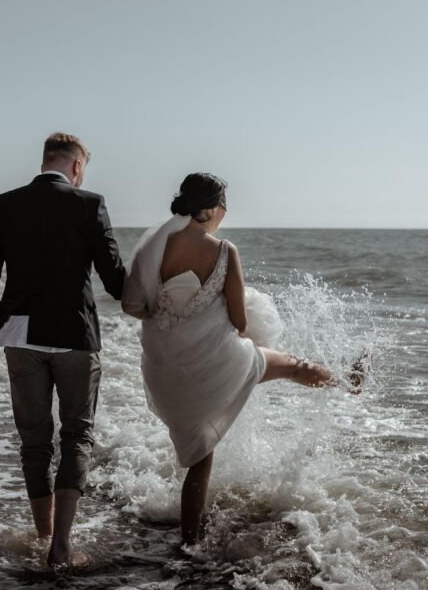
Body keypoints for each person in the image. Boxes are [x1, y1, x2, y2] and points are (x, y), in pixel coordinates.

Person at [121, 173, 361, 545]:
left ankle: (188, 541)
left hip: (163, 370)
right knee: (293, 365)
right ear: (214, 207)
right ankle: (347, 382)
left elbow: (135, 305)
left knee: (200, 457)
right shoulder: (222, 250)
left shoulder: (156, 244)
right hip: (214, 364)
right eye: (224, 207)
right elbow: (239, 321)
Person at [0, 132, 126, 569]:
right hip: (75, 336)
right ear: (76, 167)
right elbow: (114, 280)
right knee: (77, 434)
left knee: (34, 442)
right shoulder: (89, 203)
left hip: (19, 338)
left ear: (45, 162)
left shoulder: (5, 203)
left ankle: (42, 534)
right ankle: (62, 544)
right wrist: (155, 297)